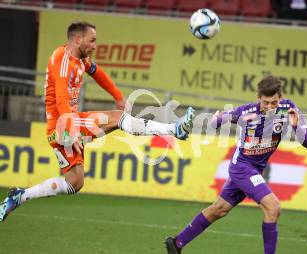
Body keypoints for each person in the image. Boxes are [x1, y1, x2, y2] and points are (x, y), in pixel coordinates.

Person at [0, 21, 194, 222]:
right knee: (117, 119)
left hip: (63, 126)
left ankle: (19, 197)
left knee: (75, 182)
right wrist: (71, 131)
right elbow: (62, 99)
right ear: (78, 39)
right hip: (63, 126)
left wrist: (117, 96)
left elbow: (97, 72)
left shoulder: (80, 59)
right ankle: (175, 129)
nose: (94, 45)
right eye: (92, 40)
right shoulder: (62, 59)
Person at [165, 75, 307, 254]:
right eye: (266, 102)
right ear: (259, 98)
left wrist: (296, 126)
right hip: (241, 167)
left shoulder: (288, 109)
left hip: (255, 170)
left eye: (274, 102)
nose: (270, 107)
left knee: (219, 209)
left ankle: (176, 243)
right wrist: (216, 119)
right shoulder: (246, 112)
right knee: (273, 208)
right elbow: (218, 120)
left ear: (280, 98)